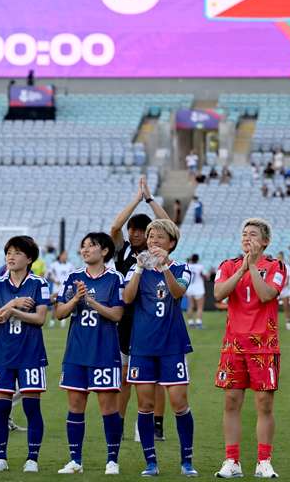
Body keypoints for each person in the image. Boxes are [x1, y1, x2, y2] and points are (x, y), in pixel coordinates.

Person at [123, 219, 197, 477]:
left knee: (179, 402)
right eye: (151, 236)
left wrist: (164, 266)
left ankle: (187, 461)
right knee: (144, 405)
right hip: (142, 347)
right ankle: (150, 463)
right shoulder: (136, 268)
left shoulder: (181, 268)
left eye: (159, 237)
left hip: (172, 345)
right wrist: (140, 270)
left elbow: (177, 293)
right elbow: (127, 298)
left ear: (172, 243)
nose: (153, 240)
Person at [213, 218, 286, 479]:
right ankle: (231, 460)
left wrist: (253, 266)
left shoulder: (276, 266)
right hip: (233, 345)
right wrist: (242, 268)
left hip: (264, 346)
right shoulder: (228, 265)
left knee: (264, 404)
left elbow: (267, 294)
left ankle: (264, 461)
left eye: (253, 234)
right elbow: (219, 294)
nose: (247, 238)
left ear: (265, 241)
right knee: (231, 401)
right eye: (244, 234)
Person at [55, 232, 124, 475]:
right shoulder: (73, 277)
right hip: (76, 352)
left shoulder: (115, 278)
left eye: (91, 246)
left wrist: (91, 302)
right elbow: (59, 313)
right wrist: (76, 299)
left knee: (108, 407)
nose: (85, 250)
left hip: (104, 351)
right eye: (83, 246)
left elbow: (117, 315)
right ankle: (75, 461)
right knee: (75, 405)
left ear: (104, 251)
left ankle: (112, 461)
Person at [109, 175, 171, 439]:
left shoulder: (157, 253)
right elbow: (114, 228)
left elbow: (167, 225)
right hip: (125, 319)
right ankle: (120, 423)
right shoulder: (123, 251)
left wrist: (149, 199)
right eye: (132, 229)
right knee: (124, 375)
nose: (133, 233)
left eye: (140, 230)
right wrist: (136, 199)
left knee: (153, 376)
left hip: (151, 319)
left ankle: (155, 424)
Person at [0, 236, 48, 473]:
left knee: (32, 408)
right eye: (9, 252)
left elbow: (40, 319)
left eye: (17, 253)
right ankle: (1, 457)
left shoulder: (39, 283)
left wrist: (11, 312)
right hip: (3, 355)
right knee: (1, 408)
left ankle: (32, 459)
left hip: (30, 354)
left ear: (29, 258)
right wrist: (13, 305)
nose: (11, 256)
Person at [47, 250, 74, 328]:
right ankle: (52, 321)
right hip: (57, 288)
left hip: (66, 288)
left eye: (66, 255)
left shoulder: (70, 265)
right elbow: (49, 274)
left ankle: (63, 321)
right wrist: (55, 280)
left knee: (65, 304)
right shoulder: (54, 265)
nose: (65, 256)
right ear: (60, 255)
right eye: (64, 255)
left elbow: (73, 276)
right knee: (55, 305)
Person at [185, 254, 205, 329]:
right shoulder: (200, 266)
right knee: (200, 307)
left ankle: (190, 322)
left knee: (190, 306)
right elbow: (203, 276)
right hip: (199, 288)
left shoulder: (187, 265)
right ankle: (199, 323)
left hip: (190, 288)